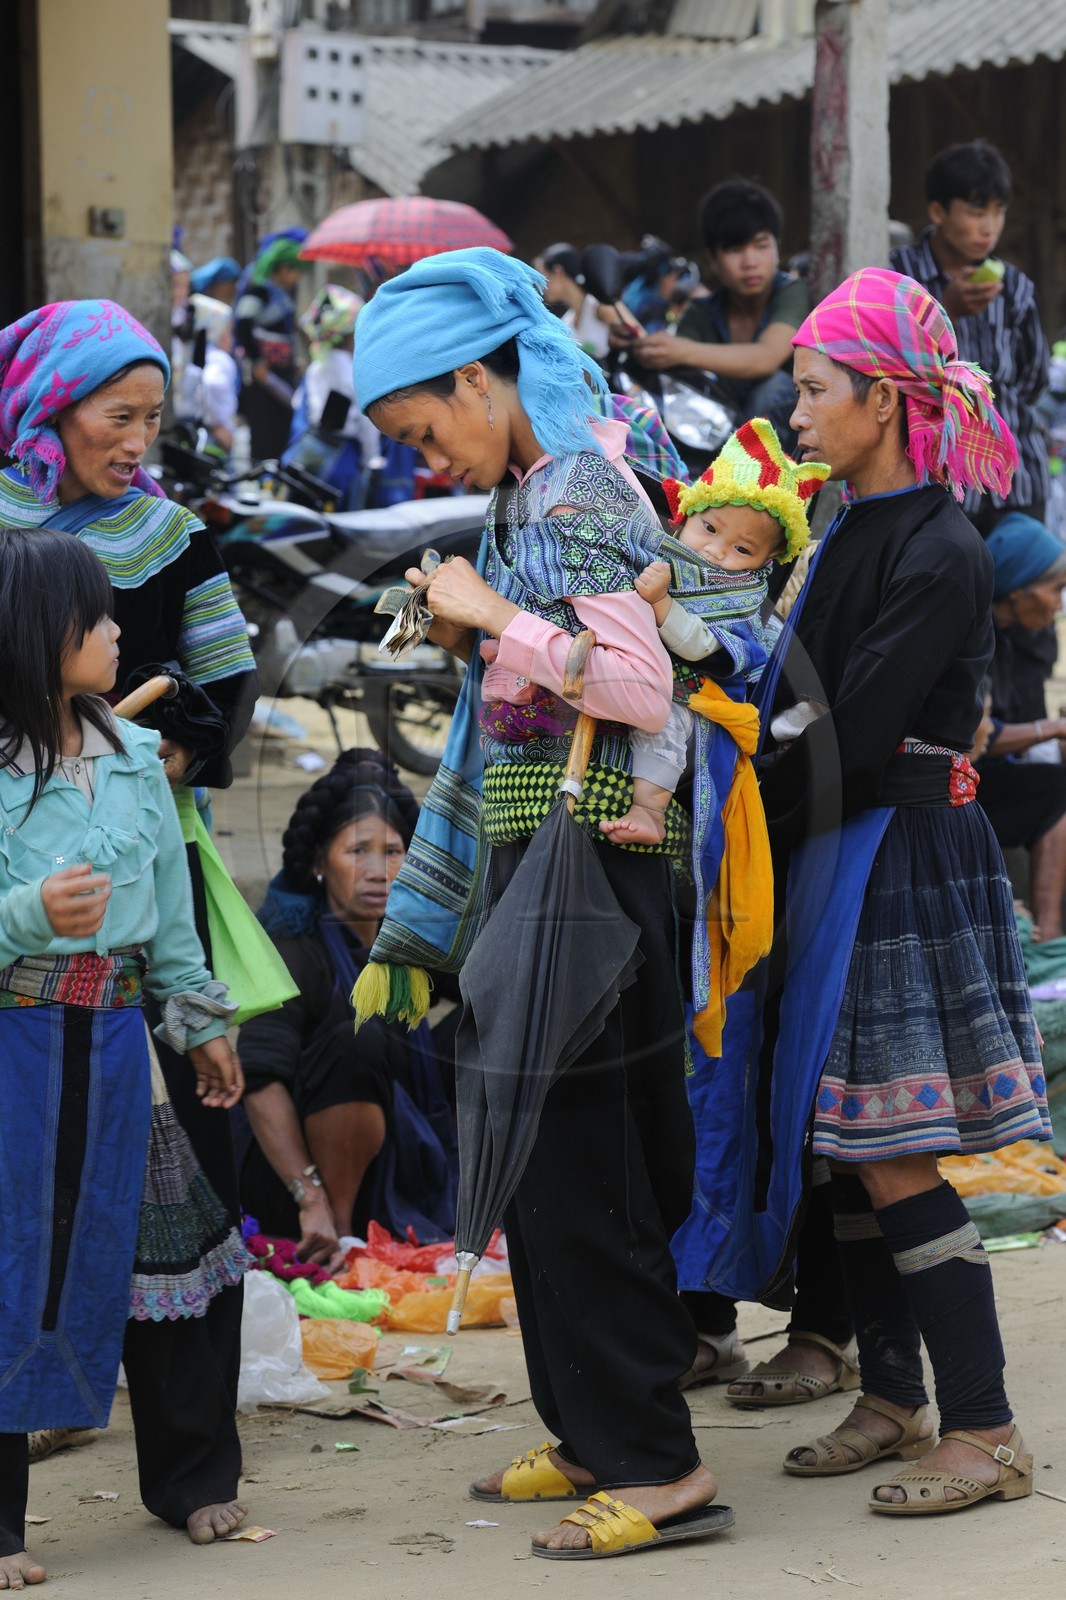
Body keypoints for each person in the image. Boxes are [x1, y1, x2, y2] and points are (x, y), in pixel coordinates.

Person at [350, 247, 733, 1560]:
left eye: (423, 430)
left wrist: (482, 616)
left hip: (594, 873)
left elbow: (634, 689)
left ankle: (657, 1464)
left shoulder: (571, 488)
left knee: (581, 1170)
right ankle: (586, 1430)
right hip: (552, 862)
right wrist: (479, 633)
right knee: (543, 1159)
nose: (426, 460)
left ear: (477, 377)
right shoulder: (536, 488)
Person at [708, 266, 1047, 1515]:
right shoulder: (843, 524)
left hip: (893, 855)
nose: (793, 415)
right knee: (842, 1145)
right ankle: (892, 1393)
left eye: (811, 391)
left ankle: (988, 1424)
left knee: (895, 1150)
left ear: (886, 398)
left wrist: (750, 788)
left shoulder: (943, 547)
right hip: (830, 844)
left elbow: (845, 733)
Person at [0, 298, 260, 1546]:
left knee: (182, 1188)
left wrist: (163, 760)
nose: (138, 439)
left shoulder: (178, 538)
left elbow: (227, 686)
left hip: (144, 879)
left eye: (154, 417)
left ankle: (194, 1469)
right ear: (51, 410)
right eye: (118, 416)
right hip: (20, 930)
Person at [239, 750, 459, 1265]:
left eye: (394, 851)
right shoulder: (293, 950)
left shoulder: (413, 945)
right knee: (357, 1038)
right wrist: (309, 1199)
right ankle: (338, 1234)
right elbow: (259, 1079)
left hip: (401, 1159)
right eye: (357, 850)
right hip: (293, 1185)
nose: (378, 871)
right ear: (318, 863)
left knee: (495, 1028)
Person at [604, 416, 828, 844]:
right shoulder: (655, 549)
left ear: (766, 561)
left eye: (742, 549)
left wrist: (663, 606)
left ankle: (649, 810)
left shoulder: (739, 598)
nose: (717, 550)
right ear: (684, 515)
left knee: (664, 722)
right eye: (709, 528)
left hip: (695, 693)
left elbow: (714, 651)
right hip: (624, 670)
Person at [891, 140, 1050, 532]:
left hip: (1018, 479)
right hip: (937, 481)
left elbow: (1033, 379)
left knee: (1031, 590)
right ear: (938, 212)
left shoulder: (1014, 287)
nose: (989, 227)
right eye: (977, 212)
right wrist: (947, 310)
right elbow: (888, 369)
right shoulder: (899, 277)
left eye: (998, 212)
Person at [630, 180, 809, 439]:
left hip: (792, 441)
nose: (750, 262)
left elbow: (767, 358)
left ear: (776, 249)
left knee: (773, 388)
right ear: (713, 258)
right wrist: (643, 350)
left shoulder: (794, 293)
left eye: (761, 246)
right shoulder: (702, 313)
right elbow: (675, 374)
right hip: (723, 436)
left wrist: (681, 350)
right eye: (735, 250)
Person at [976, 512, 1066, 942]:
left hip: (990, 782)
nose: (1059, 604)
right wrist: (1054, 730)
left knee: (1057, 786)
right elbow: (977, 735)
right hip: (952, 790)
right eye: (1056, 590)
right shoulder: (975, 640)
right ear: (1018, 590)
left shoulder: (1018, 642)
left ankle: (1047, 939)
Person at [284, 284, 380, 507]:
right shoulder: (353, 371)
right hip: (342, 456)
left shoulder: (317, 363)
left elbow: (298, 402)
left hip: (310, 448)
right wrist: (369, 457)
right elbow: (366, 422)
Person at [234, 237, 312, 459]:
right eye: (295, 271)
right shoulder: (257, 291)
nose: (297, 277)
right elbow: (242, 326)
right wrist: (256, 360)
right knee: (265, 435)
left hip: (279, 374)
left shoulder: (280, 295)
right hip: (263, 380)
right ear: (283, 268)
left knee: (282, 432)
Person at [177, 293, 240, 461]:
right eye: (227, 331)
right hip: (214, 435)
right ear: (215, 329)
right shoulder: (219, 358)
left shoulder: (189, 352)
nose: (231, 338)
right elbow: (212, 384)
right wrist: (218, 424)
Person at [537, 242, 616, 359]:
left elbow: (638, 338)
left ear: (558, 272)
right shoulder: (565, 324)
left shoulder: (600, 305)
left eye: (543, 277)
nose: (540, 287)